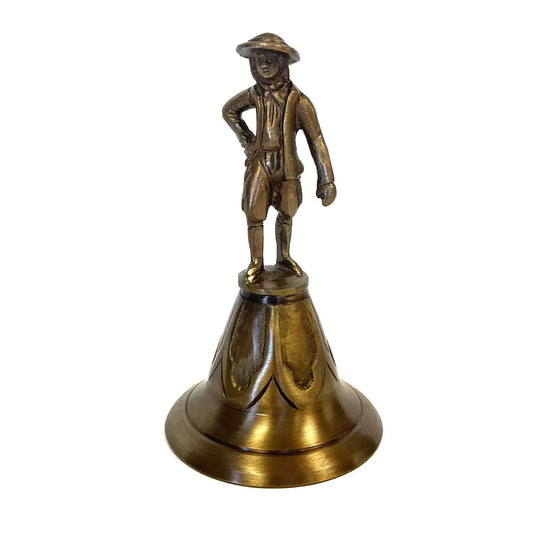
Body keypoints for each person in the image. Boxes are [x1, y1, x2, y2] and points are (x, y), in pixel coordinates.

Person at [223, 33, 337, 282]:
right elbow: (229, 111)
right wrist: (248, 141)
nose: (264, 65)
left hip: (286, 165)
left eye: (270, 59)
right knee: (254, 212)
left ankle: (284, 257)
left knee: (287, 211)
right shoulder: (255, 94)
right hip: (260, 163)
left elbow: (316, 139)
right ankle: (256, 262)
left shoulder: (299, 101)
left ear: (282, 63)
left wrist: (327, 179)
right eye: (259, 60)